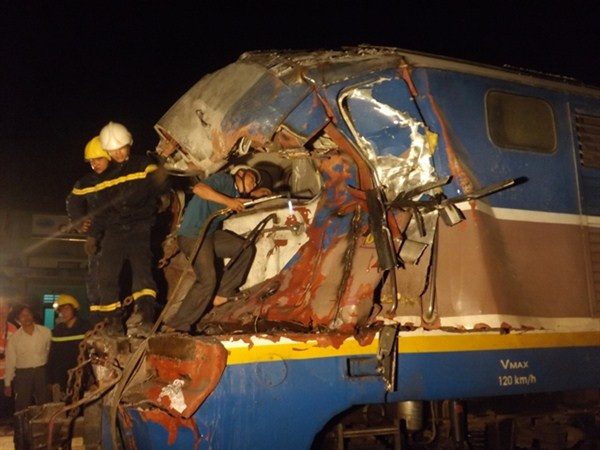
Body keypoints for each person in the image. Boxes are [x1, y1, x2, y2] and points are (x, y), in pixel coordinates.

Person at [164, 166, 271, 333]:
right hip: (193, 234)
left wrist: (255, 196)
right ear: (240, 174)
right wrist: (229, 202)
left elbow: (237, 200)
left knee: (244, 248)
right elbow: (199, 189)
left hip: (209, 235)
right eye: (252, 178)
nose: (255, 183)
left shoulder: (234, 195)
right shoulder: (224, 179)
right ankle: (177, 325)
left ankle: (223, 293)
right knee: (207, 280)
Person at [92, 121, 168, 337]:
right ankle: (113, 322)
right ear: (107, 151)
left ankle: (146, 316)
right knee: (106, 274)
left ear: (129, 145)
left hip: (139, 225)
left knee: (141, 269)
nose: (118, 153)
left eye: (121, 148)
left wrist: (161, 170)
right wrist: (93, 235)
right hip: (115, 229)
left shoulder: (143, 165)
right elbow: (100, 211)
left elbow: (160, 186)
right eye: (113, 150)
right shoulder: (104, 179)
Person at [66, 137, 111, 322]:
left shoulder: (122, 178)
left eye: (98, 159)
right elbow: (73, 202)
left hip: (120, 234)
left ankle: (114, 315)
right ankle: (97, 315)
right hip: (98, 237)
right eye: (91, 161)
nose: (94, 164)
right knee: (94, 275)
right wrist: (78, 222)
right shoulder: (86, 183)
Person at [4, 305, 51, 412]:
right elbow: (10, 362)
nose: (26, 317)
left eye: (28, 314)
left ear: (32, 315)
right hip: (22, 374)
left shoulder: (45, 332)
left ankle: (44, 422)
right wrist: (7, 384)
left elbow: (50, 352)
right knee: (22, 404)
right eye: (22, 316)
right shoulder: (14, 338)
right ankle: (22, 423)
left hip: (42, 372)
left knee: (44, 403)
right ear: (18, 319)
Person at [47, 294, 91, 398]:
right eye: (61, 310)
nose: (64, 313)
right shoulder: (57, 331)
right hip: (62, 376)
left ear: (74, 309)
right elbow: (52, 356)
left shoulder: (86, 328)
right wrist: (50, 380)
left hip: (82, 375)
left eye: (67, 309)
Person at [0, 291, 17, 423]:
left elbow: (14, 355)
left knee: (5, 410)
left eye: (4, 307)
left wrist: (9, 381)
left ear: (9, 310)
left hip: (6, 376)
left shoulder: (13, 329)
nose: (1, 310)